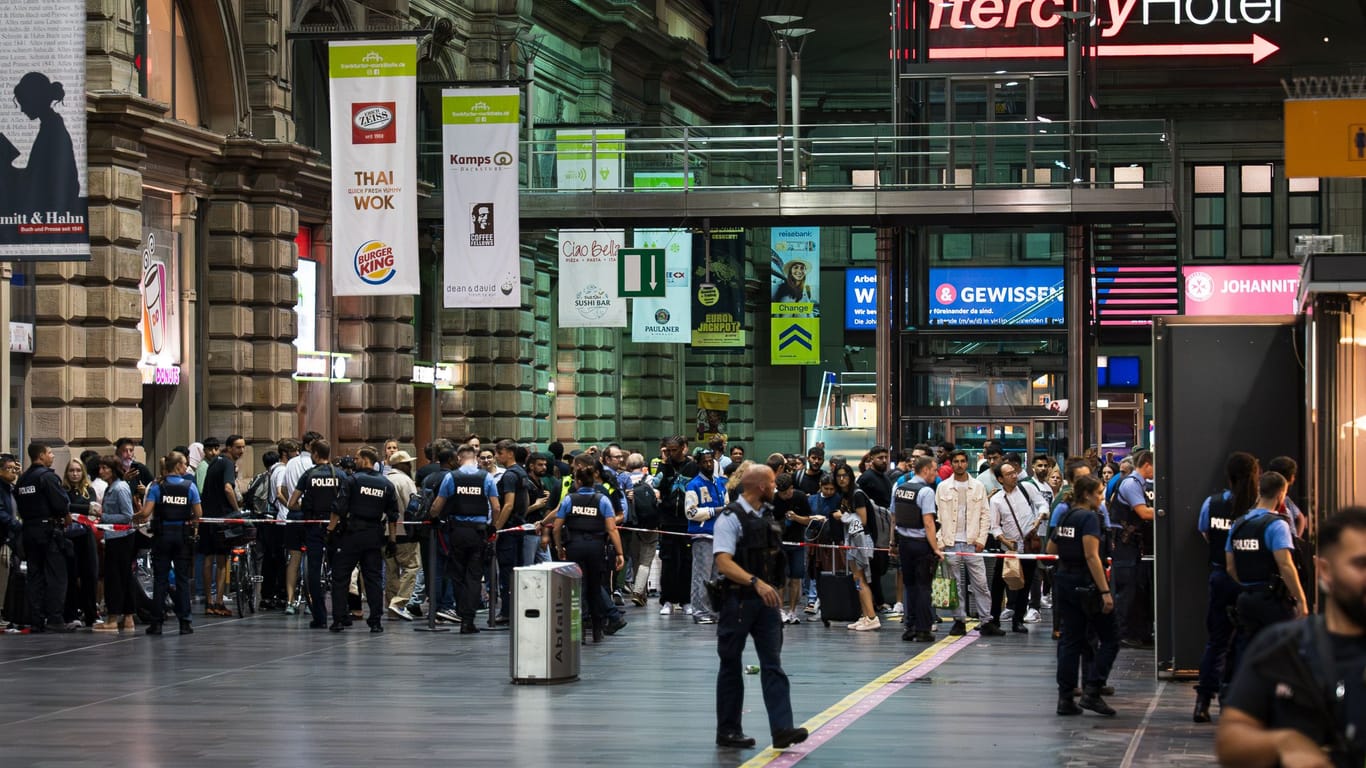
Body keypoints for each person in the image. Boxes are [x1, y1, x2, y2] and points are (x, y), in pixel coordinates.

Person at [1216, 507, 1366, 768]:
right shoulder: (1282, 647)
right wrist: (1283, 743)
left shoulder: (1245, 523)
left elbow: (1232, 566)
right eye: (1360, 565)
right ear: (1325, 570)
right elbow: (1231, 741)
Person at [712, 464, 809, 751]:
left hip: (766, 602)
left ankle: (782, 729)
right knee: (731, 665)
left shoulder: (766, 516)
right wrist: (756, 582)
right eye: (771, 483)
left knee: (773, 664)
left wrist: (769, 586)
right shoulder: (730, 518)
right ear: (761, 487)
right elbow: (723, 562)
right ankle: (728, 731)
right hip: (737, 600)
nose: (775, 488)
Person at [1193, 451, 1259, 723]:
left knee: (1217, 641)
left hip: (1220, 576)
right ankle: (1236, 702)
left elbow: (1205, 532)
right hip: (1252, 583)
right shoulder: (1258, 507)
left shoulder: (1213, 503)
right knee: (1246, 641)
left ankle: (1203, 701)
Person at [1225, 471, 1309, 681]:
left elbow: (1230, 567)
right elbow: (1286, 565)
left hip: (1245, 598)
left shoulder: (1239, 524)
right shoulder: (1276, 525)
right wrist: (1300, 599)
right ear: (1281, 494)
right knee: (1284, 651)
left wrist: (1248, 585)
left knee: (1247, 652)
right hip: (1273, 600)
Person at [1049, 474, 1119, 717]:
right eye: (1099, 493)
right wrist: (1105, 592)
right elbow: (1092, 556)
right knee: (1110, 637)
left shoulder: (1065, 514)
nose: (1101, 498)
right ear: (1087, 495)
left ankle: (1065, 698)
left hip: (1064, 580)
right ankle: (1093, 689)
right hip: (1085, 584)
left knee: (1070, 640)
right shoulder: (1089, 517)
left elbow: (1051, 547)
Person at [429, 443, 501, 634]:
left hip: (457, 531)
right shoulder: (486, 478)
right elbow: (496, 507)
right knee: (474, 575)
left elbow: (438, 504)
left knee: (457, 574)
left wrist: (433, 517)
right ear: (476, 458)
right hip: (478, 532)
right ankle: (469, 619)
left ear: (459, 458)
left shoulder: (451, 477)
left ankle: (462, 613)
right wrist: (493, 526)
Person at [327, 447, 399, 633]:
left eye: (357, 458)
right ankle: (375, 621)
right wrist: (392, 540)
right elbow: (393, 515)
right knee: (373, 579)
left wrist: (330, 531)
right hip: (374, 534)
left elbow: (339, 507)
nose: (355, 460)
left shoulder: (353, 480)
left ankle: (338, 619)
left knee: (341, 577)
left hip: (351, 534)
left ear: (366, 460)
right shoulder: (386, 484)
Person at [552, 457, 625, 643]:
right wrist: (619, 553)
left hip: (574, 546)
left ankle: (579, 629)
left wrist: (559, 547)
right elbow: (612, 528)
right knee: (594, 587)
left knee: (576, 588)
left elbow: (556, 526)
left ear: (577, 481)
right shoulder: (602, 500)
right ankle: (597, 629)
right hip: (595, 547)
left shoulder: (569, 499)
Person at [936, 450, 1002, 637]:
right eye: (955, 461)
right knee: (954, 585)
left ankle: (986, 620)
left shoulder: (978, 486)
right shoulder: (943, 487)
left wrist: (981, 539)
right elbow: (938, 516)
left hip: (973, 543)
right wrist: (941, 541)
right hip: (950, 542)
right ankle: (959, 621)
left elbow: (985, 514)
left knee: (980, 583)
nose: (959, 464)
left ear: (967, 463)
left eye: (962, 461)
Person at [137, 452, 201, 635]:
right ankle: (185, 622)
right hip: (182, 537)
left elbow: (146, 512)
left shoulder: (158, 487)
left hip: (162, 536)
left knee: (160, 580)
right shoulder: (190, 487)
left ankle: (156, 622)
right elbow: (199, 512)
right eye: (185, 464)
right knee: (181, 579)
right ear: (179, 466)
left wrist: (134, 517)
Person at [0, 72, 80, 216]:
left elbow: (42, 179)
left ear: (34, 99)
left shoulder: (52, 128)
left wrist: (9, 172)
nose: (22, 109)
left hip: (50, 213)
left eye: (23, 102)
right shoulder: (51, 125)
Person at [15, 442, 75, 632]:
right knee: (56, 575)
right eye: (50, 453)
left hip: (29, 531)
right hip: (48, 531)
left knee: (35, 576)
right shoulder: (47, 477)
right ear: (41, 456)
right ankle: (55, 618)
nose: (52, 456)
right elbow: (60, 503)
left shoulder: (23, 479)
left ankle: (36, 619)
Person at [287, 439, 344, 629]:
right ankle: (341, 615)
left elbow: (291, 503)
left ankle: (319, 617)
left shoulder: (309, 475)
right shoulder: (341, 474)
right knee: (339, 572)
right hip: (336, 527)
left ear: (316, 454)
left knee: (313, 571)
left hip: (314, 527)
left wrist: (306, 506)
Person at [1108, 449, 1155, 647]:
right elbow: (1144, 513)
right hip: (1124, 545)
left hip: (1133, 544)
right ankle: (1123, 633)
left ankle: (1136, 632)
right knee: (1127, 589)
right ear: (1146, 465)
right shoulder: (1131, 484)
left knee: (1136, 588)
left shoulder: (1137, 484)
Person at [895, 456, 943, 642]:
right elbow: (929, 522)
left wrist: (893, 543)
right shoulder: (926, 491)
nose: (935, 473)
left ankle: (910, 626)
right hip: (921, 544)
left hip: (904, 543)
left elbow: (894, 516)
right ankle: (923, 629)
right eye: (934, 470)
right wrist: (936, 548)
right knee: (924, 586)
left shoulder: (900, 489)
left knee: (910, 585)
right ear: (925, 470)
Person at [200, 434, 245, 617]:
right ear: (228, 448)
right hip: (221, 519)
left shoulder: (214, 463)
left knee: (208, 559)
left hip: (208, 517)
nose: (241, 451)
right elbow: (228, 488)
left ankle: (209, 602)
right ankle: (218, 602)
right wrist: (237, 511)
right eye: (237, 447)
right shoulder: (227, 464)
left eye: (243, 447)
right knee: (221, 561)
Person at [832, 463, 880, 631]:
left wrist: (842, 516)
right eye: (838, 476)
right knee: (857, 578)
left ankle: (872, 617)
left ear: (851, 477)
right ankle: (865, 615)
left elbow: (862, 520)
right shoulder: (846, 495)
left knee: (861, 578)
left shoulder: (857, 494)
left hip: (861, 541)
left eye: (845, 475)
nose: (842, 479)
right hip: (852, 541)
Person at [95, 457, 138, 632]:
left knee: (115, 578)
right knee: (123, 577)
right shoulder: (110, 488)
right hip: (115, 537)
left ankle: (113, 618)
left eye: (104, 468)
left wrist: (103, 517)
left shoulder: (119, 488)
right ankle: (127, 618)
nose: (101, 472)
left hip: (121, 537)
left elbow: (127, 515)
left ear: (113, 470)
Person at [686, 448, 727, 626]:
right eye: (705, 461)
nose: (709, 464)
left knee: (716, 577)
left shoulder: (720, 483)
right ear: (698, 463)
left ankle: (713, 609)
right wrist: (714, 511)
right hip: (702, 535)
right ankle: (700, 610)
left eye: (711, 461)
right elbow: (690, 512)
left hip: (720, 536)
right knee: (701, 576)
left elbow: (727, 505)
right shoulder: (693, 485)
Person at [60, 458, 99, 628]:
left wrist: (76, 509)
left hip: (87, 536)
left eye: (78, 470)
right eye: (71, 470)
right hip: (69, 537)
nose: (75, 474)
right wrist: (82, 509)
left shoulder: (88, 490)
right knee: (70, 576)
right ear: (67, 473)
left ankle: (91, 614)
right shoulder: (62, 490)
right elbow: (66, 507)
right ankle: (71, 614)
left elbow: (93, 509)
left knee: (89, 575)